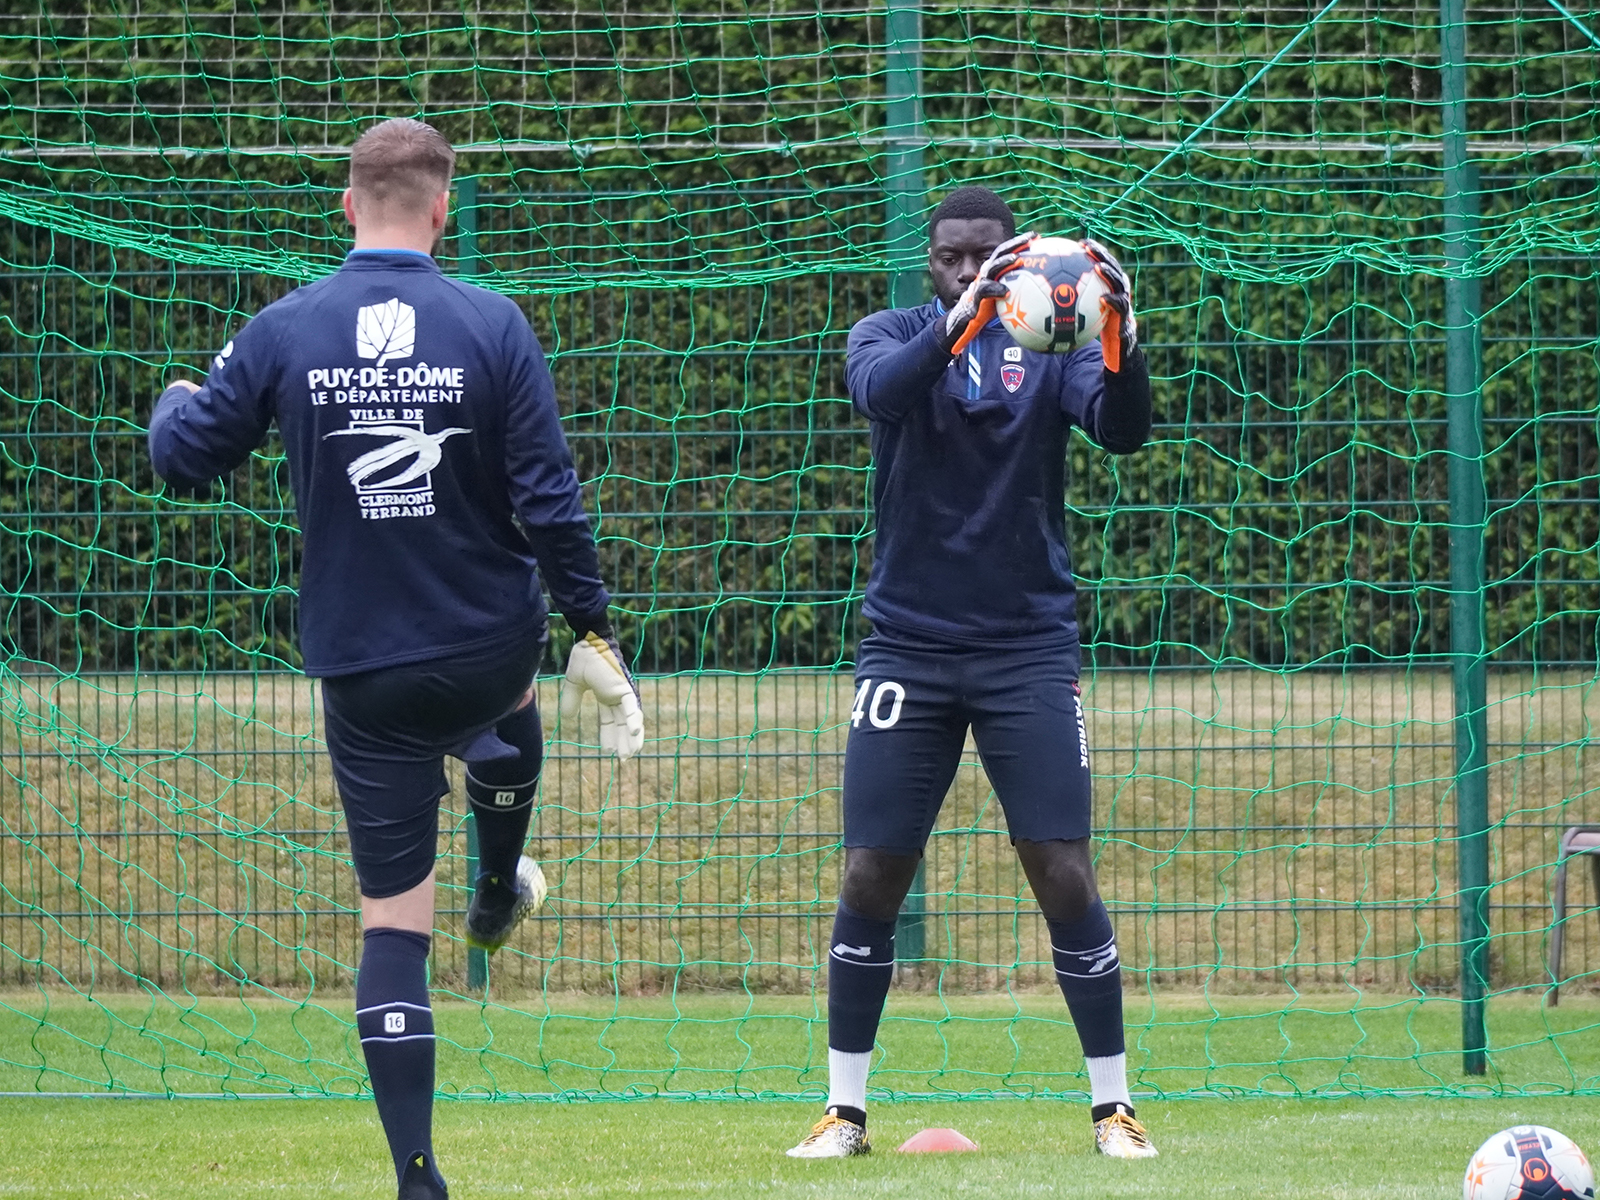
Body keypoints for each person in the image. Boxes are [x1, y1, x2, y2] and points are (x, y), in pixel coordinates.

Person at [146, 117, 643, 1200]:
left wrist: (171, 401)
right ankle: (497, 878)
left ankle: (418, 1178)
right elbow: (550, 503)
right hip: (485, 650)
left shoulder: (287, 327)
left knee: (390, 931)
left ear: (345, 206)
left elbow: (184, 456)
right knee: (506, 716)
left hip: (361, 669)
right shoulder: (492, 323)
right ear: (440, 211)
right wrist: (594, 627)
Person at [786, 185, 1156, 1160]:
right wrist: (958, 319)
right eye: (952, 257)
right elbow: (879, 394)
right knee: (871, 870)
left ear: (1019, 260)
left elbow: (1123, 429)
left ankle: (1114, 1110)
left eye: (985, 256)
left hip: (1026, 647)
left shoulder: (1053, 348)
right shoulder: (890, 333)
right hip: (905, 644)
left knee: (1061, 869)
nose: (968, 269)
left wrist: (1119, 335)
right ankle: (843, 1113)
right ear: (932, 262)